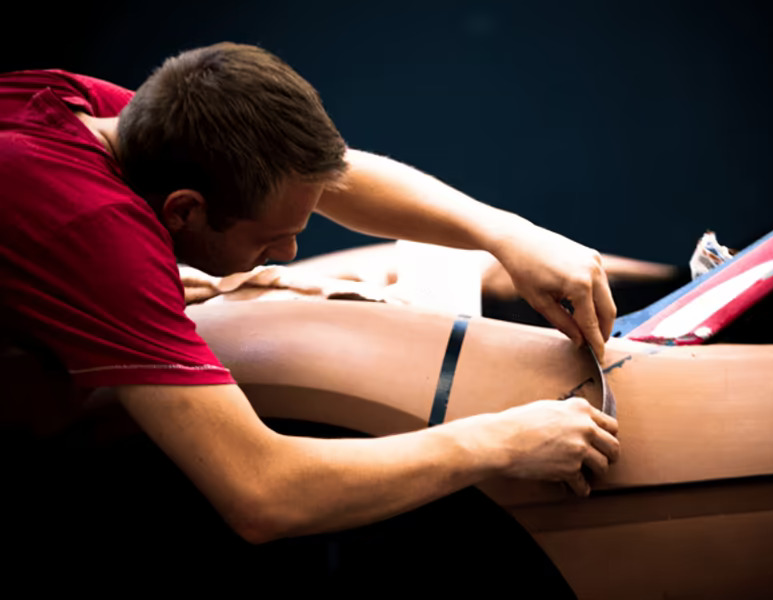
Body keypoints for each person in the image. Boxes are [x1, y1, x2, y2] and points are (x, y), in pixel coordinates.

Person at [0, 42, 619, 556]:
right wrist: (502, 442)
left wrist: (508, 235)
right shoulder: (96, 234)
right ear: (184, 210)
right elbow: (262, 492)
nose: (293, 255)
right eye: (273, 240)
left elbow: (334, 177)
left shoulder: (82, 112)